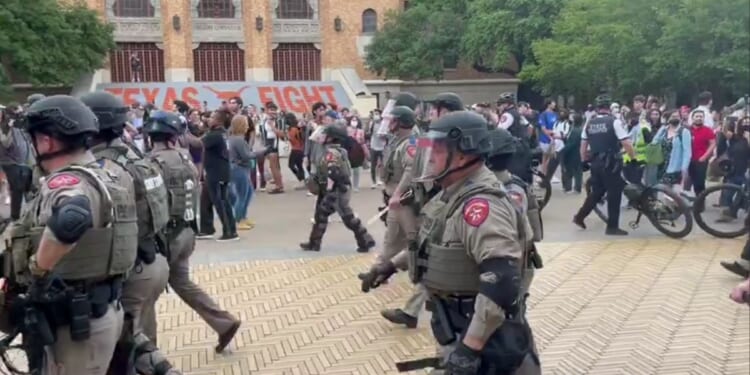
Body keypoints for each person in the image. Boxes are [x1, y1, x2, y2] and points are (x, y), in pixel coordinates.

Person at [360, 111, 541, 374]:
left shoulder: (482, 206)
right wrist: (388, 266)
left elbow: (501, 280)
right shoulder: (451, 193)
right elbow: (433, 242)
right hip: (461, 331)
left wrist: (470, 349)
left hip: (489, 344)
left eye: (437, 148)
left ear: (463, 154)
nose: (429, 155)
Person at [3, 95, 136, 374]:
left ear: (47, 141)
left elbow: (72, 218)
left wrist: (38, 269)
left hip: (75, 323)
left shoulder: (68, 180)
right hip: (99, 308)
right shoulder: (105, 175)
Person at [144, 110, 242, 354]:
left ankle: (147, 355)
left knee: (142, 295)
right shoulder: (184, 157)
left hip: (165, 237)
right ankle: (224, 322)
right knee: (182, 282)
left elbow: (150, 204)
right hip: (186, 232)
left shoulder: (151, 163)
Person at [81, 91, 171, 342]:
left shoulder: (104, 168)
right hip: (154, 259)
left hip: (133, 270)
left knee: (124, 350)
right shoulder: (133, 154)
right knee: (146, 340)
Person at [366, 106, 422, 328]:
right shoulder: (395, 140)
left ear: (401, 122)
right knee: (392, 239)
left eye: (393, 120)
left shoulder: (411, 143)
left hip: (405, 202)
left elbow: (411, 173)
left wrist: (398, 194)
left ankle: (414, 300)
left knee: (416, 246)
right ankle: (380, 270)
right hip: (394, 199)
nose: (388, 123)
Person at [486, 127, 544, 321]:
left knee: (512, 325)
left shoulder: (503, 190)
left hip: (508, 269)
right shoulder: (516, 185)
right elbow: (533, 232)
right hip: (515, 268)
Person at [300, 125, 376, 252]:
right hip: (335, 189)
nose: (321, 136)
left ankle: (366, 241)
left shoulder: (332, 153)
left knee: (347, 218)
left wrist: (328, 190)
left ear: (331, 138)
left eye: (325, 134)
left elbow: (333, 172)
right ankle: (314, 243)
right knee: (321, 215)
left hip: (337, 190)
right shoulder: (338, 150)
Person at [573, 94, 636, 235]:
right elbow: (626, 143)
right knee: (615, 194)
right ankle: (612, 227)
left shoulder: (589, 123)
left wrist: (583, 161)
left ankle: (579, 217)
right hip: (611, 163)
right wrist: (633, 158)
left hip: (595, 163)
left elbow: (583, 144)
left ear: (597, 107)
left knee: (597, 192)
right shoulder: (614, 121)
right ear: (609, 108)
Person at [496, 92, 533, 183]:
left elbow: (499, 131)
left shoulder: (507, 115)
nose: (499, 106)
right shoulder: (518, 114)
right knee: (522, 173)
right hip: (524, 146)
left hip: (515, 148)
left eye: (501, 104)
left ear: (507, 104)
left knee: (513, 175)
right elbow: (530, 127)